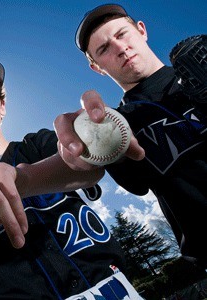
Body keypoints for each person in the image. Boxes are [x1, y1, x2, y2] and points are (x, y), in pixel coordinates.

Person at [0, 58, 143, 299]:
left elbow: (84, 166)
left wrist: (92, 137)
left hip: (108, 289)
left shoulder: (38, 145)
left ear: (2, 105)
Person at [54, 3, 207, 268]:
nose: (118, 47)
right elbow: (130, 182)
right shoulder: (116, 128)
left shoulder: (201, 66)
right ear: (96, 67)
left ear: (141, 30)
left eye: (122, 34)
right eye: (103, 49)